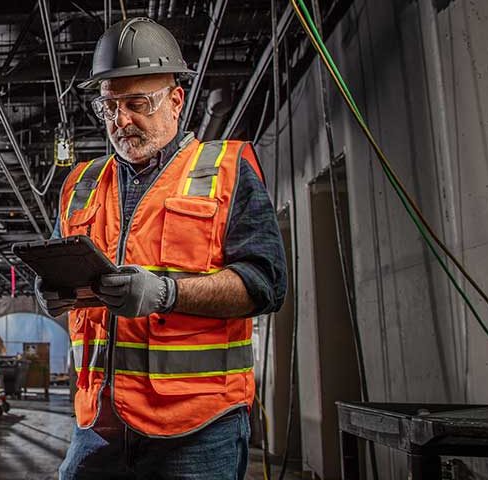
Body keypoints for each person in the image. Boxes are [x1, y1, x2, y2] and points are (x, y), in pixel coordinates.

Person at [36, 17, 288, 480]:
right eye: (110, 107)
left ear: (175, 101)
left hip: (198, 429)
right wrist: (53, 293)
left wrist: (167, 294)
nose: (122, 120)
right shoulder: (80, 185)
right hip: (98, 426)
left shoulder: (227, 168)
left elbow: (266, 284)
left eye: (137, 103)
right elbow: (71, 281)